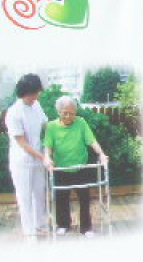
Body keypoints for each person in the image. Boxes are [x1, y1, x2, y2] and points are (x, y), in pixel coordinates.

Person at [43, 96, 108, 237]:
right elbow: (48, 146)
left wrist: (101, 154)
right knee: (61, 198)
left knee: (84, 198)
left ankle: (86, 228)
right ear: (58, 112)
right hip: (61, 168)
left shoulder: (81, 122)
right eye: (65, 113)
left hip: (80, 167)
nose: (68, 116)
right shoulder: (51, 126)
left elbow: (92, 140)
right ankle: (63, 224)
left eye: (72, 113)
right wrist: (47, 158)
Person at [5, 73, 48, 239]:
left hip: (38, 158)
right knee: (25, 197)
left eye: (38, 92)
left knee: (39, 193)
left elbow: (46, 125)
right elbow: (22, 143)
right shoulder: (13, 113)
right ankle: (30, 232)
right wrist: (43, 157)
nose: (37, 95)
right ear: (26, 92)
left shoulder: (37, 105)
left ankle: (40, 225)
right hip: (21, 161)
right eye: (35, 92)